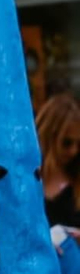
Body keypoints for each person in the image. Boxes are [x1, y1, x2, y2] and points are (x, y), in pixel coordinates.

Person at [37, 94, 80, 228]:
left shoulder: (75, 181)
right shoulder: (26, 177)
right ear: (49, 138)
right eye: (66, 143)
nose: (74, 151)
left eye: (79, 144)